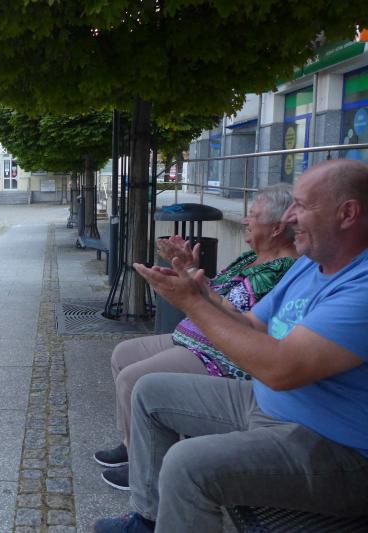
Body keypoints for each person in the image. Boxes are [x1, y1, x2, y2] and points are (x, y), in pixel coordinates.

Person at [94, 159, 368, 532]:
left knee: (187, 465)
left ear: (347, 213)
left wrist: (191, 303)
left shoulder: (359, 286)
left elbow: (281, 369)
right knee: (148, 392)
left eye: (302, 206)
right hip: (268, 403)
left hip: (335, 447)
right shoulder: (310, 264)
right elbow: (251, 323)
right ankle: (147, 520)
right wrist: (196, 290)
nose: (290, 217)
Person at [95, 185, 297, 491]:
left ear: (278, 227)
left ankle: (144, 468)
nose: (245, 220)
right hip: (195, 336)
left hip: (219, 352)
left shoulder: (282, 268)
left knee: (133, 378)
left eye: (253, 216)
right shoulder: (250, 258)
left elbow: (232, 310)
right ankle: (131, 444)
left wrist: (187, 286)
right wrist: (188, 267)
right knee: (122, 354)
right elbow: (215, 290)